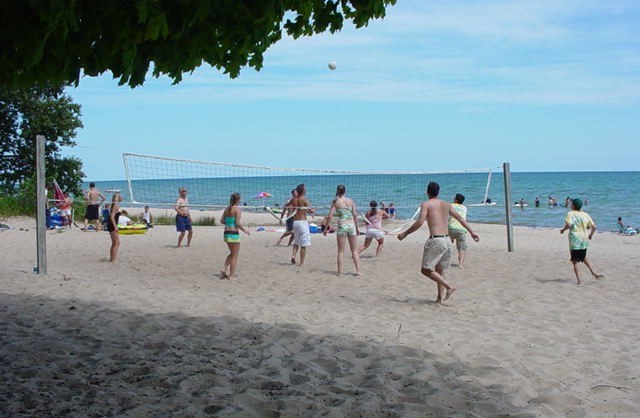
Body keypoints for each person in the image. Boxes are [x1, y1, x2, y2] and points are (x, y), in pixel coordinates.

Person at [398, 181, 479, 303]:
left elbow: (420, 222)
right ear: (438, 192)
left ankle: (449, 287)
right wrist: (472, 232)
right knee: (439, 271)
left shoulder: (426, 204)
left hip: (437, 240)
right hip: (447, 240)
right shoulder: (446, 204)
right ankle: (439, 299)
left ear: (427, 192)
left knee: (425, 269)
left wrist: (405, 233)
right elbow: (460, 218)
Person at [560, 198, 603, 285]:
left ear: (573, 205)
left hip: (575, 239)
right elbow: (594, 227)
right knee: (583, 257)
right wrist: (590, 235)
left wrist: (563, 230)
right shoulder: (585, 214)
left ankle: (579, 281)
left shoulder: (570, 213)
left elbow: (569, 224)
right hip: (584, 239)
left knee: (574, 261)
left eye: (571, 204)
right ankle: (592, 272)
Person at [323, 185, 361, 276]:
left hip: (342, 225)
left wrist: (325, 228)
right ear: (345, 191)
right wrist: (357, 227)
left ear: (337, 191)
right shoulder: (350, 200)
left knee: (341, 251)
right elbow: (355, 215)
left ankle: (340, 272)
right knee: (354, 250)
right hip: (351, 225)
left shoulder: (335, 201)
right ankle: (358, 271)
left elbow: (330, 216)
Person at [220, 192, 251, 280]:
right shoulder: (237, 209)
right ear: (238, 200)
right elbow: (237, 223)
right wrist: (245, 230)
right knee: (235, 254)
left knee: (232, 253)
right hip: (233, 233)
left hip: (226, 233)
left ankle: (224, 268)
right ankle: (231, 275)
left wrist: (229, 222)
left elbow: (222, 221)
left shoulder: (227, 209)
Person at [290, 184, 314, 266]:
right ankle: (301, 262)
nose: (306, 190)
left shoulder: (294, 200)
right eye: (305, 189)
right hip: (303, 223)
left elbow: (288, 206)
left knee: (296, 242)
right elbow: (310, 210)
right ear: (303, 190)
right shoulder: (304, 199)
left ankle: (293, 256)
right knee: (303, 245)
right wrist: (313, 211)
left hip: (295, 222)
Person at [448, 193, 469, 269]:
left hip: (451, 228)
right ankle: (460, 265)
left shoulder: (451, 205)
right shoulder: (464, 208)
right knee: (462, 249)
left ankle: (452, 240)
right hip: (461, 229)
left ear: (456, 200)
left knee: (449, 243)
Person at [107, 193, 122, 262]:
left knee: (115, 243)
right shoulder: (115, 205)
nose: (121, 197)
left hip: (111, 224)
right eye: (120, 196)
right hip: (112, 225)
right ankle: (113, 259)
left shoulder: (114, 204)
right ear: (117, 198)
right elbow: (112, 216)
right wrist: (115, 227)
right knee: (116, 243)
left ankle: (112, 258)